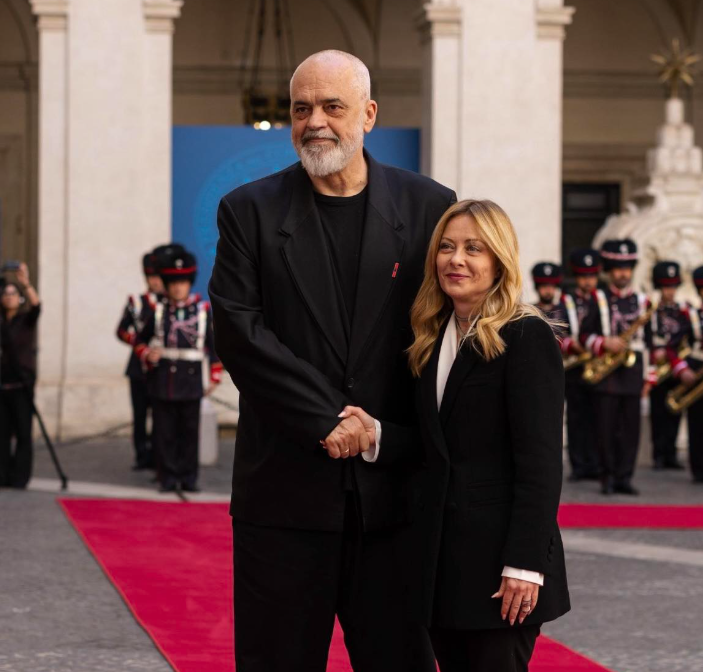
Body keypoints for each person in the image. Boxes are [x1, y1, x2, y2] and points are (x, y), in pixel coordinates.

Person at [209, 49, 455, 671]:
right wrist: (328, 419)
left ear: (368, 115)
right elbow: (240, 334)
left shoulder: (430, 206)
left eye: (331, 106)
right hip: (283, 500)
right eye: (301, 109)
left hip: (397, 498)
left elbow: (449, 330)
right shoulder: (248, 210)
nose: (314, 121)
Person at [351, 199, 569, 672]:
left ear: (499, 260)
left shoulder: (526, 335)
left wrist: (524, 564)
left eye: (474, 248)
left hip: (502, 568)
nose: (457, 259)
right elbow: (439, 447)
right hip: (442, 563)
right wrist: (377, 436)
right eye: (447, 247)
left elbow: (540, 464)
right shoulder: (432, 336)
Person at [135, 248, 222, 493]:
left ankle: (188, 478)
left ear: (189, 283)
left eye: (182, 283)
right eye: (173, 283)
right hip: (164, 380)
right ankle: (168, 478)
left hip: (191, 381)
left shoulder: (202, 311)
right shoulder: (158, 311)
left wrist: (215, 374)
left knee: (189, 433)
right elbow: (139, 340)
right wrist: (146, 353)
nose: (177, 288)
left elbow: (212, 345)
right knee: (165, 433)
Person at [579, 239, 650, 495]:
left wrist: (649, 378)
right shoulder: (597, 298)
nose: (623, 274)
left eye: (627, 268)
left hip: (632, 373)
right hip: (606, 375)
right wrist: (603, 342)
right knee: (605, 429)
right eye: (619, 268)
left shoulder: (643, 300)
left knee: (630, 430)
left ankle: (625, 478)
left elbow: (650, 343)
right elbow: (584, 335)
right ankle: (607, 477)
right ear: (610, 270)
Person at [115, 248, 167, 470]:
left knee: (160, 415)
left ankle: (158, 455)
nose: (155, 281)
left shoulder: (171, 302)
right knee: (139, 414)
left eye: (158, 277)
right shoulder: (136, 302)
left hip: (161, 366)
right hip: (138, 366)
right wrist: (138, 344)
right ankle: (141, 455)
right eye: (151, 277)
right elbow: (121, 330)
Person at [556, 249, 601, 481]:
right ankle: (579, 466)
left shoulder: (603, 300)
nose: (588, 281)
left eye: (592, 276)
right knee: (576, 418)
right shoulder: (566, 301)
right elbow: (557, 331)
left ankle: (596, 464)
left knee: (598, 417)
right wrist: (570, 344)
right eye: (583, 276)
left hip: (600, 367)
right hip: (574, 367)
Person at [0, 263, 41, 488]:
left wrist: (25, 283)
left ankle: (20, 477)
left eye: (13, 294)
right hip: (3, 383)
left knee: (23, 432)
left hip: (22, 383)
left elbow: (37, 306)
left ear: (19, 298)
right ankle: (2, 474)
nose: (9, 297)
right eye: (5, 294)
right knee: (2, 432)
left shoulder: (26, 319)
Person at [647, 261, 688, 470]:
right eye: (666, 287)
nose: (670, 291)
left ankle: (671, 454)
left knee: (675, 412)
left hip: (675, 366)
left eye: (673, 286)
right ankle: (659, 454)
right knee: (657, 412)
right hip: (657, 367)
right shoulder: (652, 310)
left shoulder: (682, 311)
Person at [675, 266, 703, 483]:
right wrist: (682, 369)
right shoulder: (690, 316)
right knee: (697, 423)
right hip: (697, 371)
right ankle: (699, 469)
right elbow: (672, 346)